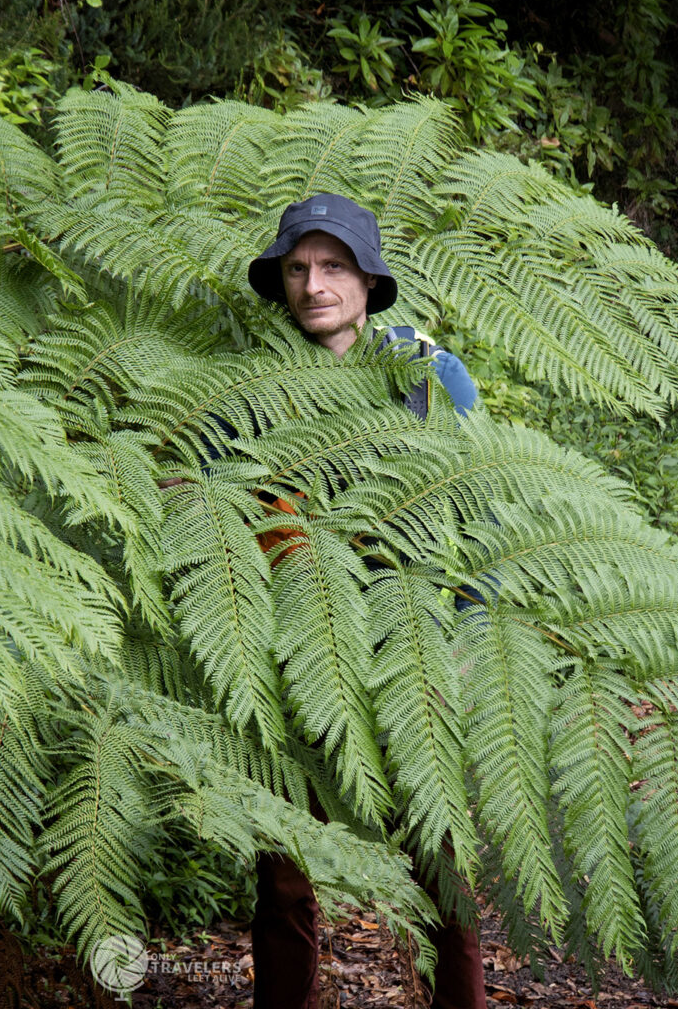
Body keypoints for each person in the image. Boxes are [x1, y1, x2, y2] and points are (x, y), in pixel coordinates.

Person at [244, 193, 488, 1009]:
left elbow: (482, 514)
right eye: (297, 269)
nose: (314, 285)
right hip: (292, 652)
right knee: (283, 870)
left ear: (370, 279)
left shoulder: (428, 372)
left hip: (410, 646)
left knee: (439, 865)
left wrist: (471, 639)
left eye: (333, 266)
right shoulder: (252, 383)